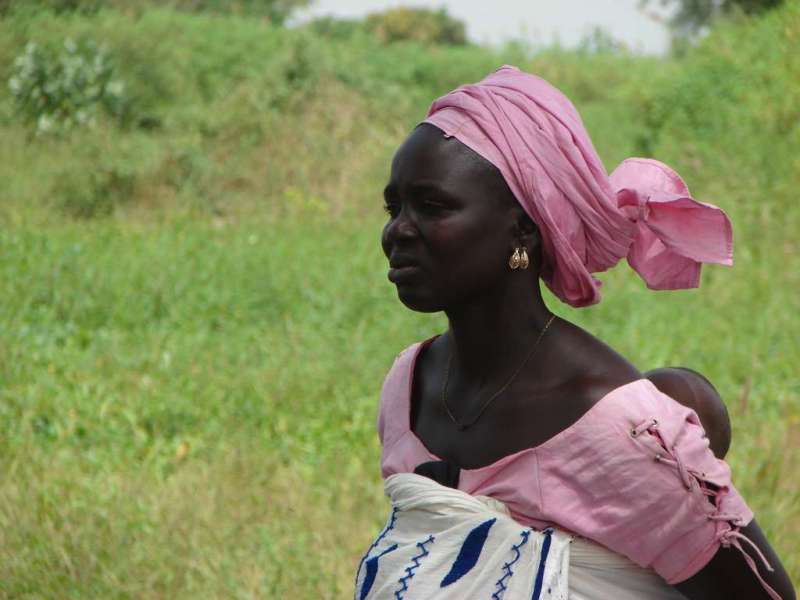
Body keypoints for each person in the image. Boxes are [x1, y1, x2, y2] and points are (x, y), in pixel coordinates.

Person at [357, 66, 795, 599]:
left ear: (523, 227)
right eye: (394, 207)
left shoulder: (616, 425)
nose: (397, 231)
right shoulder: (409, 386)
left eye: (432, 207)